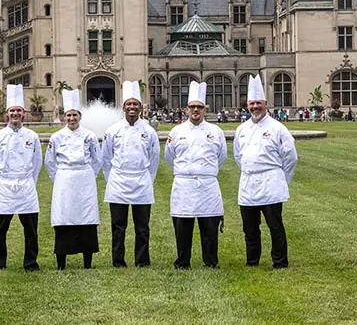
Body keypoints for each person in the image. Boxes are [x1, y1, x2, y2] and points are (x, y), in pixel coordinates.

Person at [233, 75, 298, 268]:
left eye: (258, 103)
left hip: (271, 183)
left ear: (266, 104)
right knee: (250, 227)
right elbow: (238, 155)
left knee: (275, 226)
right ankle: (252, 260)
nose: (255, 107)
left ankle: (279, 261)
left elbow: (290, 157)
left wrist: (282, 179)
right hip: (248, 184)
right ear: (247, 105)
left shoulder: (278, 128)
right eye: (251, 103)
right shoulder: (242, 129)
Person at [165, 81, 227, 269]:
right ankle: (182, 261)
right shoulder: (176, 131)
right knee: (183, 226)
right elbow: (170, 156)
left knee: (209, 226)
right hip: (184, 184)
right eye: (192, 107)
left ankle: (210, 261)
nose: (195, 110)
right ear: (186, 109)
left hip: (207, 184)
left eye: (199, 107)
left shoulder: (216, 131)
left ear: (205, 110)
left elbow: (221, 156)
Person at [102, 80, 160, 267]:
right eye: (129, 104)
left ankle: (142, 260)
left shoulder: (149, 131)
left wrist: (147, 179)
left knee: (142, 227)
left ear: (141, 107)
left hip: (142, 181)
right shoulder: (112, 130)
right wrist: (112, 180)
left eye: (135, 104)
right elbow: (106, 158)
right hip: (118, 181)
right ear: (123, 107)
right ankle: (118, 260)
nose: (132, 107)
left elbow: (154, 158)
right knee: (118, 226)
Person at [45, 89, 102, 270]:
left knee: (86, 217)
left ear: (80, 116)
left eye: (75, 115)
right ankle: (61, 262)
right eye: (68, 115)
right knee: (64, 217)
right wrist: (61, 177)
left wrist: (87, 174)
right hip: (64, 179)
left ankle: (88, 262)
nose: (72, 118)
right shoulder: (56, 137)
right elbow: (49, 162)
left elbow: (97, 159)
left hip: (85, 179)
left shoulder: (90, 136)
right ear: (64, 117)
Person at [0, 84, 43, 271]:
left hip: (26, 184)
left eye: (19, 111)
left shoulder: (32, 136)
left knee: (31, 230)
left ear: (24, 113)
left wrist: (30, 181)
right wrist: (1, 183)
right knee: (0, 229)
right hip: (5, 184)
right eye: (12, 111)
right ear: (7, 113)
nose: (16, 114)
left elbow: (37, 162)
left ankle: (30, 263)